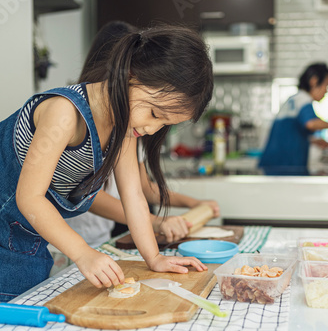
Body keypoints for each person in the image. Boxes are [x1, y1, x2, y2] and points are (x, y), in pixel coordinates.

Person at [0, 25, 213, 326]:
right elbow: (29, 197)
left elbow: (133, 195)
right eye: (155, 114)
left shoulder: (124, 130)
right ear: (130, 75)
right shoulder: (64, 113)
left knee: (12, 321)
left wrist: (154, 258)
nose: (151, 129)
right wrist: (83, 253)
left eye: (165, 124)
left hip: (21, 235)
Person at [65, 21, 219, 248]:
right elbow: (80, 194)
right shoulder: (71, 116)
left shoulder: (130, 128)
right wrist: (155, 222)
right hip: (67, 243)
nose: (153, 128)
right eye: (156, 114)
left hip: (100, 240)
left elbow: (141, 189)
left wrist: (194, 203)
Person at [258, 63, 328, 175]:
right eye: (326, 85)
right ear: (314, 81)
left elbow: (289, 134)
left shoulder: (294, 99)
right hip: (287, 166)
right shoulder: (303, 99)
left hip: (275, 164)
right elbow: (311, 124)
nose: (326, 91)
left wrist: (314, 141)